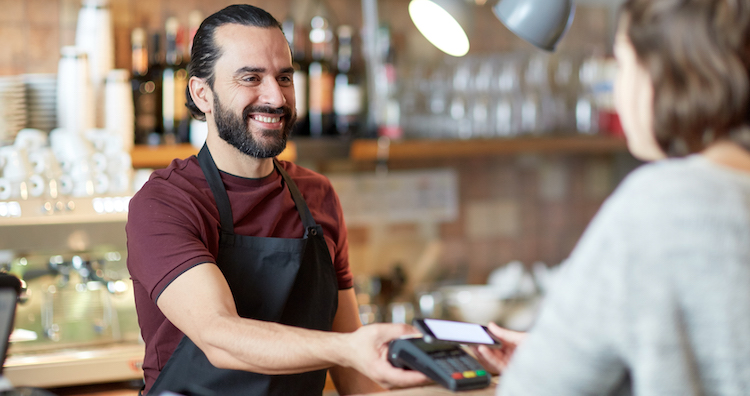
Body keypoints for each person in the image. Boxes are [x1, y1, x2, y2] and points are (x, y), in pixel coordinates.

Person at [125, 5, 427, 395]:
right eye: (251, 78)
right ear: (203, 94)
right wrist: (350, 348)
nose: (276, 97)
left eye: (284, 77)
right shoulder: (166, 202)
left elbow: (354, 374)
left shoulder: (317, 196)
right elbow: (219, 335)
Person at [473, 0, 750, 394]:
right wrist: (571, 352)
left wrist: (548, 361)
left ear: (664, 71)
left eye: (621, 63)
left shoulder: (658, 205)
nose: (616, 87)